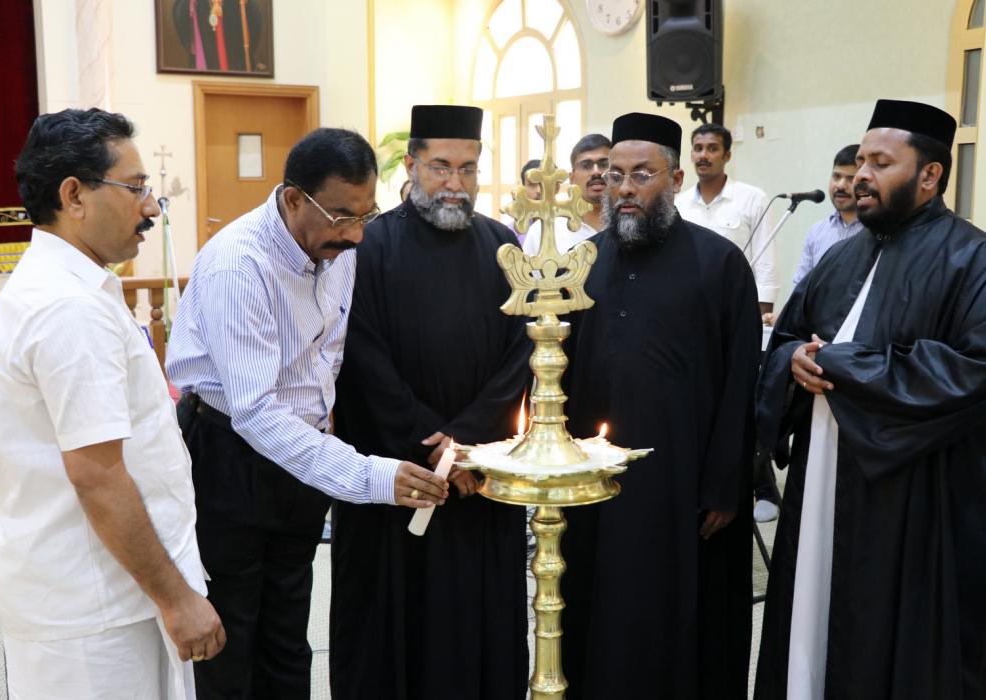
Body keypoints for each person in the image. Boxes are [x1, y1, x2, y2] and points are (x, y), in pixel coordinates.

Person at [165, 128, 449, 699]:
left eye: (366, 215)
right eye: (343, 217)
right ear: (294, 198)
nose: (356, 234)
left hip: (301, 458)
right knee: (230, 636)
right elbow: (256, 413)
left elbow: (328, 354)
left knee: (288, 633)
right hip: (230, 455)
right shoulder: (238, 265)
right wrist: (370, 475)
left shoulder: (336, 248)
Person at [0, 107, 224, 699]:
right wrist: (177, 598)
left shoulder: (69, 285)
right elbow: (97, 473)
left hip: (98, 593)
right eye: (135, 188)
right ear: (74, 196)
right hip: (96, 608)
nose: (151, 207)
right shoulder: (69, 308)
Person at [754, 99, 986, 699]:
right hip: (820, 471)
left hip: (911, 492)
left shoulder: (971, 257)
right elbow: (786, 341)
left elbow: (973, 369)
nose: (861, 176)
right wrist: (792, 362)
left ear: (929, 175)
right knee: (810, 612)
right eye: (860, 161)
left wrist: (844, 364)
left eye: (880, 163)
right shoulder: (840, 256)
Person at [330, 104, 531, 700]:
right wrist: (432, 445)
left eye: (468, 169)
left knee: (477, 622)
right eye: (441, 167)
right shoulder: (370, 245)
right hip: (396, 471)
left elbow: (522, 351)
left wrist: (469, 442)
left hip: (478, 473)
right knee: (392, 624)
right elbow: (361, 356)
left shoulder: (503, 245)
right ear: (412, 165)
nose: (455, 183)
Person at [560, 112, 761, 699]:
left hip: (681, 481)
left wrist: (725, 482)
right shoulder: (582, 262)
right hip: (595, 478)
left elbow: (740, 381)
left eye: (641, 175)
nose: (624, 188)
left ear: (674, 180)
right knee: (596, 604)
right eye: (614, 174)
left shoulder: (719, 264)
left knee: (676, 614)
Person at [676, 123, 778, 315]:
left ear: (727, 155)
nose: (703, 155)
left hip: (736, 301)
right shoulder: (680, 203)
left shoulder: (753, 198)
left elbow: (766, 261)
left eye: (712, 148)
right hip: (687, 305)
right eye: (698, 148)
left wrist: (763, 310)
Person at [790, 144, 865, 287]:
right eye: (836, 176)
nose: (840, 185)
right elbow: (800, 287)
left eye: (850, 179)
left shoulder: (878, 232)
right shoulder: (816, 231)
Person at [522, 133, 609, 256]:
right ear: (572, 178)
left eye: (604, 164)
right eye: (586, 166)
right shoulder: (543, 231)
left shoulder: (628, 225)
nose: (596, 172)